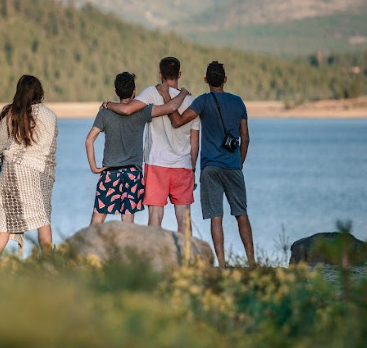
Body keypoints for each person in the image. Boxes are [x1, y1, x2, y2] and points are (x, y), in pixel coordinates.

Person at [158, 60, 254, 267]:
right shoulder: (238, 102)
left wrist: (166, 98)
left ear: (205, 80)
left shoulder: (202, 102)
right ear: (225, 80)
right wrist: (240, 162)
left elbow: (178, 121)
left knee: (216, 217)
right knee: (241, 213)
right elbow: (245, 138)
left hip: (210, 167)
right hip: (233, 166)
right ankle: (252, 261)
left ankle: (221, 263)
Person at [103, 57, 200, 236]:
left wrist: (108, 105)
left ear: (160, 74)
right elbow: (195, 142)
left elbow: (127, 109)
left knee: (155, 216)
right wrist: (193, 169)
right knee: (184, 218)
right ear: (179, 74)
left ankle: (154, 260)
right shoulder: (192, 100)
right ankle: (187, 259)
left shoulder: (151, 93)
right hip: (183, 166)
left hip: (157, 164)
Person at [85, 71, 191, 226]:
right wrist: (183, 93)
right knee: (128, 220)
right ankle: (128, 250)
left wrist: (94, 167)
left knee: (98, 217)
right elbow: (171, 107)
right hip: (133, 173)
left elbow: (89, 140)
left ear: (116, 92)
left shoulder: (105, 113)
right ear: (134, 91)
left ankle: (87, 248)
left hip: (110, 172)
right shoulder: (143, 111)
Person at [0, 75, 58, 268]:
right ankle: (47, 262)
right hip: (39, 173)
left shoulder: (10, 114)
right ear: (40, 92)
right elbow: (51, 147)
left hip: (11, 172)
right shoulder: (49, 115)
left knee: (4, 221)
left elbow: (0, 145)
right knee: (43, 218)